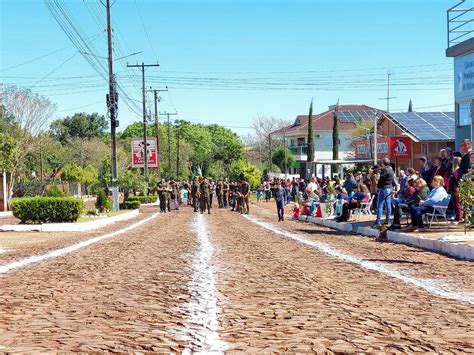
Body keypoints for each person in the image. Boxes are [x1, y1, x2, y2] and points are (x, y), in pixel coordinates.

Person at [374, 158, 395, 227]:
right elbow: (393, 180)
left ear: (383, 163)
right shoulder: (391, 170)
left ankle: (378, 221)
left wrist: (378, 187)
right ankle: (387, 220)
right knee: (388, 204)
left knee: (380, 205)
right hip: (389, 188)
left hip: (384, 188)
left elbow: (381, 180)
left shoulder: (384, 170)